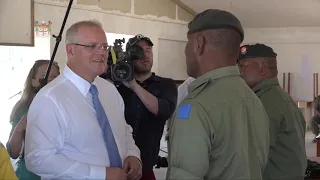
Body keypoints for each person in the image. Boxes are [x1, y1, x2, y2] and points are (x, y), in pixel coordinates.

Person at [24, 20, 142, 180]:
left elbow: (123, 130)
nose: (101, 52)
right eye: (92, 46)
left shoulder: (109, 90)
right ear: (70, 50)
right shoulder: (50, 99)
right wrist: (101, 174)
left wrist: (133, 155)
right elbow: (38, 159)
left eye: (104, 47)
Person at [166, 9, 270, 180]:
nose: (185, 51)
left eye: (187, 43)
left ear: (199, 44)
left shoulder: (196, 106)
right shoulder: (254, 100)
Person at [238, 43, 307, 180]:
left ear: (262, 69)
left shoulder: (265, 102)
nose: (240, 72)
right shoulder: (279, 97)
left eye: (243, 66)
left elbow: (252, 154)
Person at [116, 34, 177, 180]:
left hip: (146, 168)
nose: (144, 55)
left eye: (148, 50)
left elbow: (163, 111)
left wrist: (133, 85)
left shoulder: (165, 85)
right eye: (139, 50)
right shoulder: (116, 85)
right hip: (116, 167)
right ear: (130, 56)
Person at [6, 60, 60, 180]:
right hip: (30, 174)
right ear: (33, 82)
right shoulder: (23, 109)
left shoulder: (68, 106)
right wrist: (20, 128)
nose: (51, 81)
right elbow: (13, 153)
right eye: (44, 77)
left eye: (56, 77)